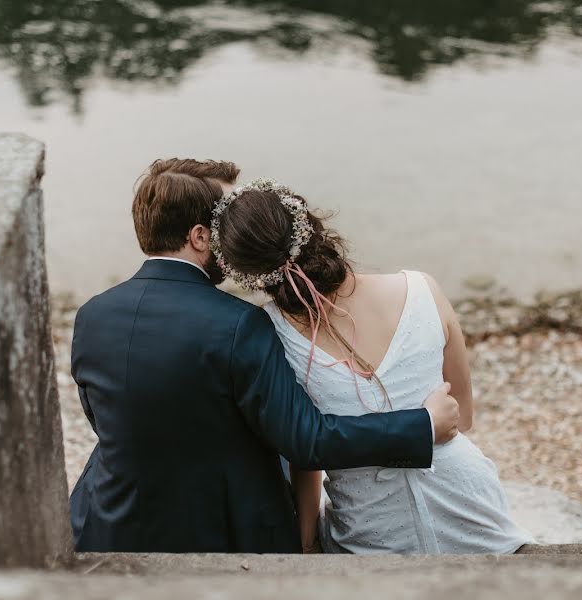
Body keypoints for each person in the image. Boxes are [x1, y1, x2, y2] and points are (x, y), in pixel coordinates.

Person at [69, 159, 461, 552]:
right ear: (201, 237)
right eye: (225, 220)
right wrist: (422, 426)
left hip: (108, 520)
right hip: (225, 531)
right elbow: (305, 440)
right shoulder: (239, 324)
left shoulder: (92, 315)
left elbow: (102, 421)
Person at [214, 178, 535, 554]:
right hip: (467, 501)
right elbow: (461, 417)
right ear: (310, 223)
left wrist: (305, 540)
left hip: (368, 525)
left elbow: (306, 452)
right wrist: (423, 425)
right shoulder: (422, 289)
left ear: (245, 274)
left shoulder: (270, 331)